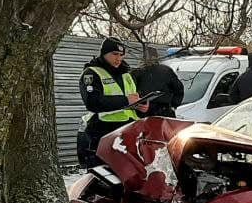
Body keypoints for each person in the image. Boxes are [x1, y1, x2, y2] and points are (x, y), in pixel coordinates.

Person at [78, 37, 145, 166]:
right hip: (103, 131)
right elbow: (92, 102)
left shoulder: (126, 74)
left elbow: (132, 98)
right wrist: (126, 100)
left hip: (129, 131)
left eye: (121, 55)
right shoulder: (92, 73)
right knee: (104, 173)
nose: (118, 58)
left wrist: (141, 107)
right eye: (115, 54)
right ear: (104, 53)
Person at [132, 48, 185, 117]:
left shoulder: (137, 72)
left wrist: (174, 105)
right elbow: (179, 89)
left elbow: (178, 89)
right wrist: (174, 105)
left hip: (147, 111)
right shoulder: (166, 70)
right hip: (161, 111)